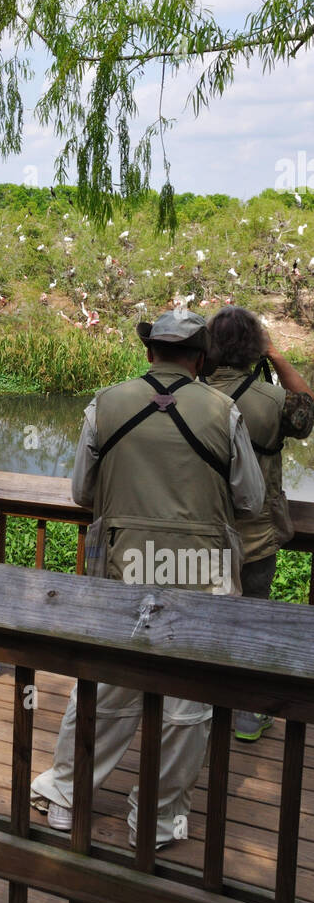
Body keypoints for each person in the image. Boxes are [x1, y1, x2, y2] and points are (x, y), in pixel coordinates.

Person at [31, 309, 265, 848]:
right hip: (200, 574)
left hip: (121, 567)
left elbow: (81, 495)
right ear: (201, 358)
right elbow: (250, 500)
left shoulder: (106, 403)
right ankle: (156, 820)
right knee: (188, 707)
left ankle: (68, 796)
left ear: (148, 353)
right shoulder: (223, 409)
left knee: (106, 686)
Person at [206, 306, 314, 741]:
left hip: (199, 533)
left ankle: (198, 709)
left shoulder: (190, 393)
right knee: (249, 622)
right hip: (256, 534)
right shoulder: (272, 400)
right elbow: (307, 414)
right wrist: (279, 358)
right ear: (256, 350)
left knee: (204, 621)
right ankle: (247, 717)